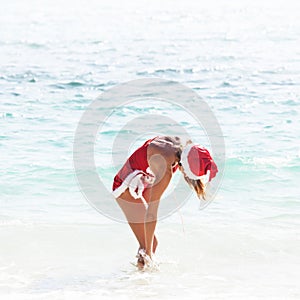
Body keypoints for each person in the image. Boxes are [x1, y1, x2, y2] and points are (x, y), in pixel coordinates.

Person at [112, 136, 218, 269]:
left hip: (143, 180)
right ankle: (141, 280)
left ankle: (140, 278)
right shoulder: (164, 169)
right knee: (149, 246)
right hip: (125, 188)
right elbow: (151, 213)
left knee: (147, 246)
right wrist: (149, 253)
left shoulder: (181, 145)